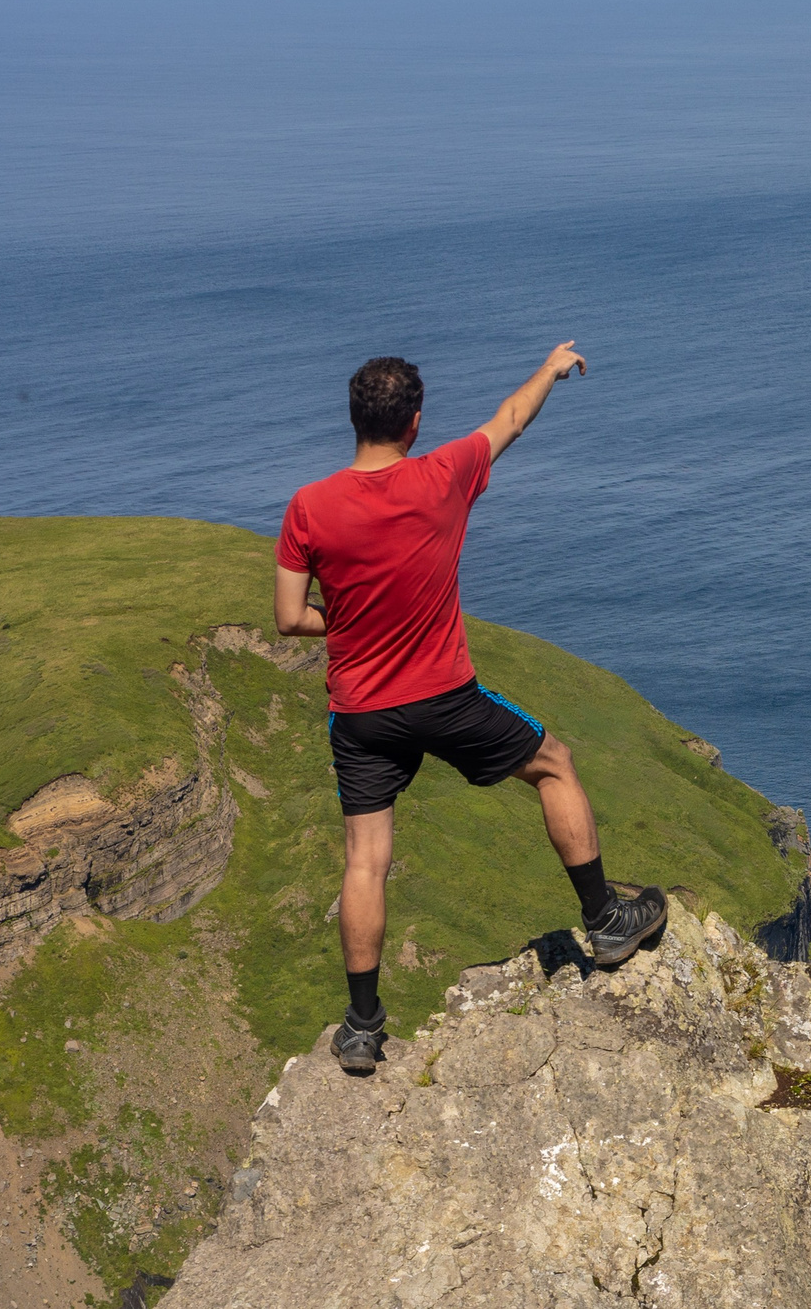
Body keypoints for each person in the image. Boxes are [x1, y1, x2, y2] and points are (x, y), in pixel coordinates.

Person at [274, 346, 666, 1075]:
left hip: (360, 712)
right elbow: (510, 420)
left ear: (354, 419)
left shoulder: (309, 506)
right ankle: (608, 921)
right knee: (555, 764)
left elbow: (290, 617)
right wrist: (550, 368)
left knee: (365, 861)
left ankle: (362, 1028)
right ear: (415, 423)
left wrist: (352, 622)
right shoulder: (442, 475)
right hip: (443, 695)